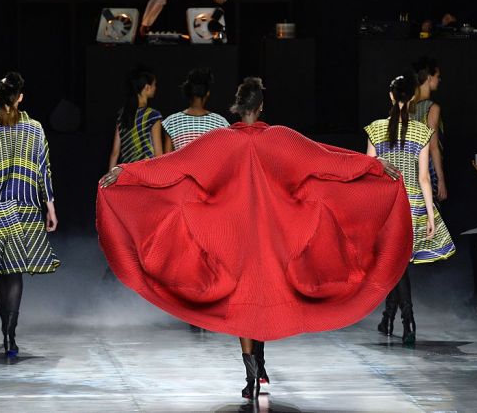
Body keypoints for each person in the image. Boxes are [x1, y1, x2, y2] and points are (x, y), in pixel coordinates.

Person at [97, 77, 412, 400]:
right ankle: (257, 369)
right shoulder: (280, 139)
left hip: (232, 238)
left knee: (245, 303)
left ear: (237, 107)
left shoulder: (219, 142)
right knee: (261, 297)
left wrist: (127, 173)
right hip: (277, 236)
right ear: (261, 107)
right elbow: (329, 162)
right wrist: (372, 166)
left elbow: (171, 167)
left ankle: (252, 374)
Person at [365, 72, 456, 344]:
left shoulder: (376, 128)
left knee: (397, 262)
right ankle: (393, 318)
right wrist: (430, 213)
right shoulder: (421, 132)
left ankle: (405, 319)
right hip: (413, 204)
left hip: (387, 204)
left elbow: (370, 171)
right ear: (412, 97)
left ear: (391, 96)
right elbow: (424, 177)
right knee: (399, 262)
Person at [0, 71, 58, 357]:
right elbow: (43, 169)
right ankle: (10, 335)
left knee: (3, 270)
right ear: (21, 97)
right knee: (15, 270)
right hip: (25, 207)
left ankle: (6, 331)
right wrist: (50, 206)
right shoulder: (35, 129)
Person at [162, 67, 229, 153]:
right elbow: (224, 158)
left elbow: (167, 161)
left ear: (188, 91)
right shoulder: (221, 123)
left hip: (181, 166)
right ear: (207, 92)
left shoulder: (171, 122)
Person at [107, 69, 163, 171]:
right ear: (147, 87)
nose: (155, 88)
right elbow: (158, 154)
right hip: (147, 174)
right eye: (154, 84)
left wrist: (109, 178)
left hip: (127, 174)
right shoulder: (153, 115)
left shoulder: (123, 114)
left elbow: (115, 152)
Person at [412, 56, 447, 202]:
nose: (439, 80)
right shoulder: (432, 108)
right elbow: (433, 147)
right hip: (427, 172)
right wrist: (441, 180)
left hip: (409, 171)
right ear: (428, 77)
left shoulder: (406, 107)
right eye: (437, 76)